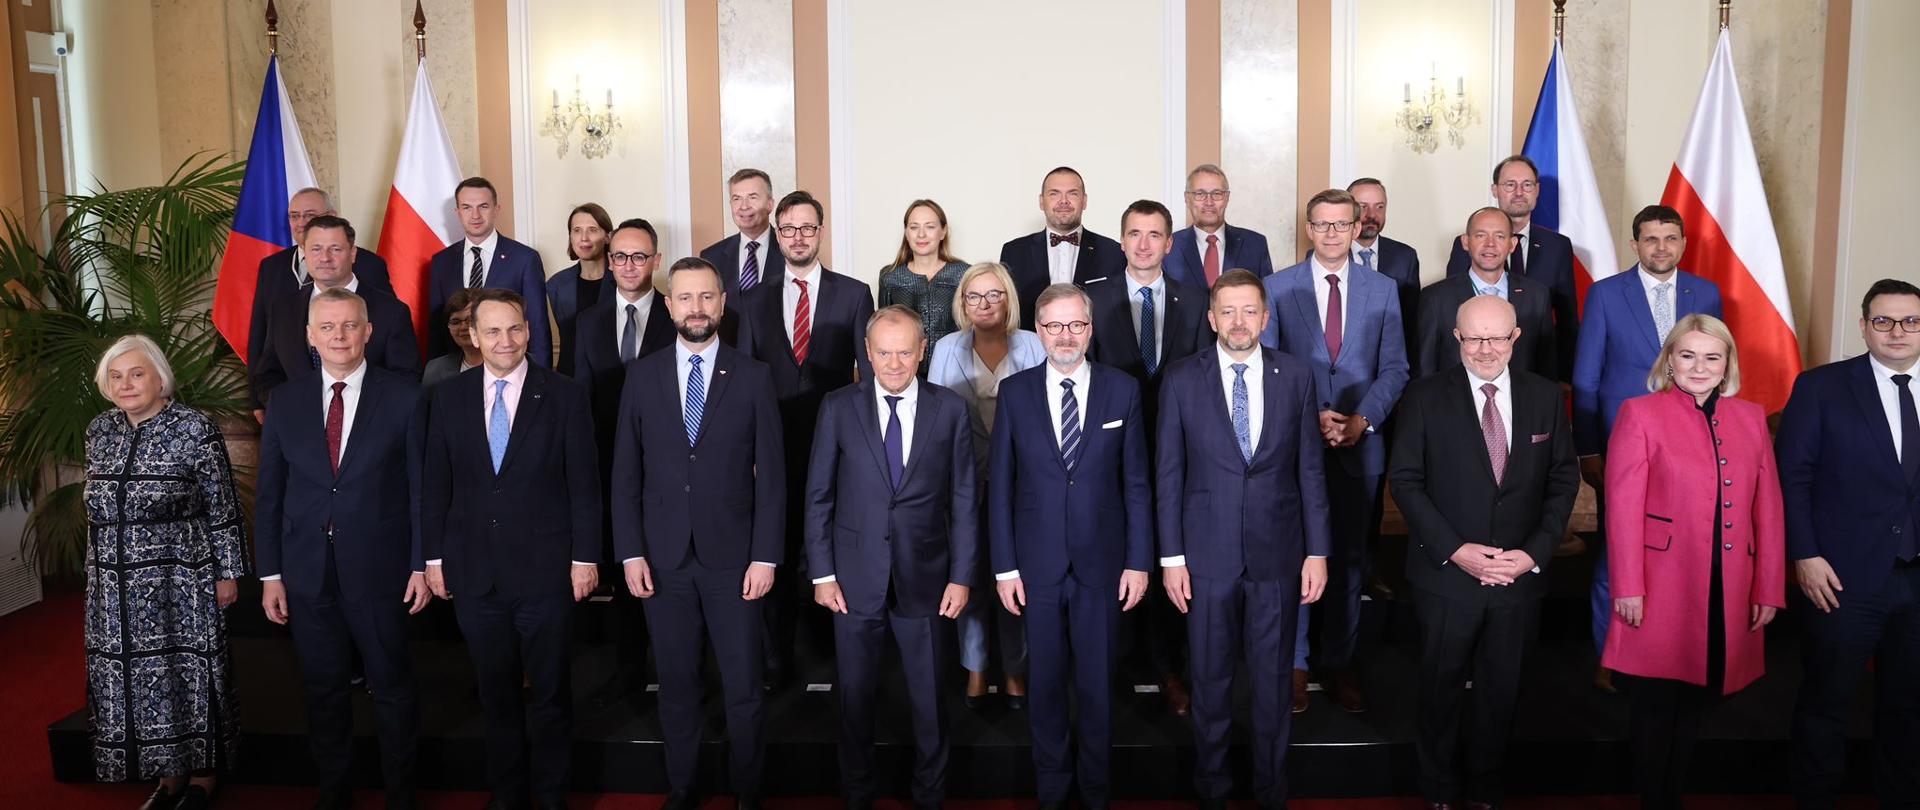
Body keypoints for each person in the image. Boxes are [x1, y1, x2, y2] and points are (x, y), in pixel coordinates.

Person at [1390, 295, 1580, 810]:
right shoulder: (1425, 396)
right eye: (1473, 338)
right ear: (1456, 338)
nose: (1485, 348)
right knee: (1440, 688)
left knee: (1502, 692)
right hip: (1447, 577)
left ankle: (1485, 791)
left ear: (1516, 338)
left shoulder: (1544, 397)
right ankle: (1439, 790)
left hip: (1519, 576)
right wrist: (1455, 551)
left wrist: (1534, 554)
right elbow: (1405, 481)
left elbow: (1564, 480)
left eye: (1497, 337)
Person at [612, 257, 786, 810]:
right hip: (662, 560)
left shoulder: (754, 376)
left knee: (742, 689)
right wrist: (630, 551)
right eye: (685, 298)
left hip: (735, 560)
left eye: (707, 297)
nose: (696, 308)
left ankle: (749, 792)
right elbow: (625, 474)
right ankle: (683, 788)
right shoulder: (641, 376)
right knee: (678, 687)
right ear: (669, 305)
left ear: (723, 302)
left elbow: (773, 480)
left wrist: (766, 557)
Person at [1155, 269, 1330, 809]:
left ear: (1265, 316)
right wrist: (1171, 557)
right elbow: (1168, 473)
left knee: (1274, 684)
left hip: (1277, 554)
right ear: (1211, 318)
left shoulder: (1297, 375)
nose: (1238, 321)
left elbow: (1309, 471)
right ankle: (1213, 790)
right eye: (1227, 311)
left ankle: (1270, 791)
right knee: (1209, 682)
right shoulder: (1181, 379)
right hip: (1204, 558)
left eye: (1249, 310)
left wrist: (1318, 551)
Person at [420, 288, 600, 810]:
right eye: (493, 331)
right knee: (495, 698)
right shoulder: (448, 397)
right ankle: (505, 797)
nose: (506, 340)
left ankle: (550, 797)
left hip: (547, 573)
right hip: (475, 574)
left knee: (549, 696)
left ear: (529, 331)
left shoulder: (565, 395)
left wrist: (585, 558)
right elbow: (436, 484)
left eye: (516, 329)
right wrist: (434, 560)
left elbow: (584, 485)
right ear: (473, 336)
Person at [255, 288, 434, 810]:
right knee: (323, 689)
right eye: (328, 328)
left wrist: (420, 563)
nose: (339, 336)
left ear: (368, 331)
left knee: (393, 686)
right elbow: (270, 494)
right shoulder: (284, 401)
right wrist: (270, 574)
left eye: (350, 326)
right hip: (306, 573)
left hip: (382, 570)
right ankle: (335, 791)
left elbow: (421, 489)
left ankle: (401, 793)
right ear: (311, 337)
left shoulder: (405, 396)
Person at [1601, 314, 1785, 809]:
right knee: (1656, 704)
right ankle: (1651, 799)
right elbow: (1621, 509)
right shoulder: (1640, 413)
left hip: (1728, 587)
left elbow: (1767, 509)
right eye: (1687, 355)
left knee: (1698, 705)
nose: (1699, 367)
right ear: (1669, 362)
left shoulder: (1750, 417)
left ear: (1727, 365)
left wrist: (1768, 586)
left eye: (1712, 357)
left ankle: (1672, 797)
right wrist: (1627, 586)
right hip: (1661, 584)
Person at [805, 305, 978, 810]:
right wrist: (822, 573)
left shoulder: (950, 409)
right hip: (853, 579)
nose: (895, 363)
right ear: (868, 352)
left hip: (926, 577)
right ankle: (857, 795)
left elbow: (964, 499)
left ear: (923, 351)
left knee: (929, 701)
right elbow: (819, 496)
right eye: (884, 352)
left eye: (906, 352)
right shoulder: (838, 407)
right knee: (854, 700)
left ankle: (930, 795)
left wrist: (962, 576)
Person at [989, 283, 1152, 810]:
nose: (1065, 335)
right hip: (1035, 567)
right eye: (1055, 326)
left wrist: (1139, 561)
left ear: (1090, 329)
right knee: (1046, 685)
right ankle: (1053, 790)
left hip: (1103, 565)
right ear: (1039, 332)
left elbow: (1137, 484)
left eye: (1075, 325)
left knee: (1099, 688)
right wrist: (1004, 568)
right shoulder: (1013, 394)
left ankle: (1098, 792)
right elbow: (1001, 488)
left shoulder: (1123, 390)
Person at [1260, 188, 1409, 714]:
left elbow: (1396, 368)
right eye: (1321, 224)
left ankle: (1338, 662)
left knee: (1349, 561)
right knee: (1294, 558)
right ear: (1308, 227)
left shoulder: (1384, 289)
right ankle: (1296, 664)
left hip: (1359, 445)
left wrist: (1361, 420)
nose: (1331, 233)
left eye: (1341, 224)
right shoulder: (1277, 288)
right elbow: (1269, 366)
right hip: (1294, 447)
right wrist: (1311, 418)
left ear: (1356, 227)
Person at [84, 335, 247, 810]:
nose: (126, 384)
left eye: (136, 374)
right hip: (112, 585)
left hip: (182, 579)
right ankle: (167, 777)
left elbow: (222, 507)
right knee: (137, 681)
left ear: (160, 377)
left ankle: (203, 776)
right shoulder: (100, 430)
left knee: (187, 675)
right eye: (116, 376)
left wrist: (227, 573)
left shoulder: (195, 428)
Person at [1778, 278, 1920, 809]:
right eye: (1884, 320)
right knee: (1826, 704)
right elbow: (1793, 477)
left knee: (1908, 708)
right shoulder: (1822, 387)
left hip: (1917, 580)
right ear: (1864, 326)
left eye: (1910, 320)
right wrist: (1805, 556)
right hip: (1841, 579)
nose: (1898, 331)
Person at [1573, 204, 1723, 691]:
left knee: (1678, 548)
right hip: (1625, 442)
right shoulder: (1605, 294)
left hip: (1690, 446)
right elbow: (1586, 379)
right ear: (1635, 245)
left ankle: (1671, 649)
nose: (1662, 247)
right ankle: (1608, 656)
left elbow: (1714, 371)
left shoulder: (1706, 293)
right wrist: (1589, 448)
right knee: (1619, 550)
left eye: (1671, 238)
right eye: (1651, 239)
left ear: (1683, 243)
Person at [736, 190, 875, 690]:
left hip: (838, 446)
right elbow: (747, 382)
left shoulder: (854, 293)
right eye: (789, 229)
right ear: (778, 234)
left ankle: (833, 657)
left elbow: (868, 378)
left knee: (833, 550)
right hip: (772, 450)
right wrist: (749, 451)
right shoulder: (751, 299)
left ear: (821, 232)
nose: (798, 237)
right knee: (776, 548)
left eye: (807, 228)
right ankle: (777, 662)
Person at [1085, 198, 1211, 715]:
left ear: (1169, 242)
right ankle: (1111, 668)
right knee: (1112, 559)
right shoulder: (1092, 299)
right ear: (1121, 242)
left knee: (1170, 561)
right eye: (1134, 234)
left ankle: (1167, 669)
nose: (1143, 244)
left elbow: (1205, 377)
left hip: (1179, 456)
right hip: (1109, 456)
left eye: (1154, 234)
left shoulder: (1197, 298)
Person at [929, 262, 1045, 710]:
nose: (984, 304)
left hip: (1023, 487)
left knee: (1018, 581)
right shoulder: (944, 349)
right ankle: (976, 670)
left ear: (1009, 299)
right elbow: (936, 424)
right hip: (964, 485)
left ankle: (1015, 670)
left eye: (994, 294)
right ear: (962, 303)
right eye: (974, 296)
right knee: (970, 578)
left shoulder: (1034, 346)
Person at [572, 218, 676, 706]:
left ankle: (680, 672)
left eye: (639, 257)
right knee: (623, 571)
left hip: (671, 469)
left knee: (671, 570)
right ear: (608, 260)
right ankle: (630, 674)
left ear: (656, 261)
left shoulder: (677, 316)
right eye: (620, 256)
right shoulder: (586, 321)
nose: (628, 266)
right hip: (609, 466)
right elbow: (578, 399)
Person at [248, 187, 393, 418]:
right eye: (295, 216)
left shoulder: (373, 272)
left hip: (366, 415)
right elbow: (265, 352)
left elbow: (399, 366)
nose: (302, 223)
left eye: (310, 216)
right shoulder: (278, 288)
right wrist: (270, 403)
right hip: (297, 419)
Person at [252, 216, 420, 405]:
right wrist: (290, 411)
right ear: (305, 253)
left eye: (335, 249)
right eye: (316, 249)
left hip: (368, 425)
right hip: (299, 427)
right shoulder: (283, 309)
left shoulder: (391, 311)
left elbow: (405, 379)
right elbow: (268, 374)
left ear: (353, 253)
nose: (325, 258)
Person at [1446, 155, 1579, 377]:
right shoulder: (1467, 245)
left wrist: (1564, 377)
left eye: (1527, 185)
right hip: (1476, 367)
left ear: (1537, 190)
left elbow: (1567, 320)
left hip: (1533, 371)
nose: (1519, 192)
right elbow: (1454, 310)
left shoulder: (1558, 247)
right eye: (1510, 185)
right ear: (1495, 190)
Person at [1414, 207, 1556, 380]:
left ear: (1512, 244)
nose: (1490, 244)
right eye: (1481, 235)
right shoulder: (1435, 298)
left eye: (1499, 236)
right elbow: (1424, 370)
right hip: (1454, 403)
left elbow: (1546, 368)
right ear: (1465, 242)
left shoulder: (1537, 296)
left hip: (1521, 404)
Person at [426, 177, 553, 367]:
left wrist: (542, 381)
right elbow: (437, 328)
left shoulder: (524, 259)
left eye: (483, 206)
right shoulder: (441, 262)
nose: (475, 215)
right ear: (458, 213)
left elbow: (538, 326)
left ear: (496, 210)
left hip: (511, 368)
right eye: (467, 207)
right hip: (457, 372)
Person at [998, 166, 1126, 329]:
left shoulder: (1113, 252)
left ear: (1084, 201)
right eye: (1054, 194)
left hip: (1094, 352)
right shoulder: (1014, 252)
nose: (1063, 201)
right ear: (1041, 201)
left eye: (1072, 193)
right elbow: (1007, 313)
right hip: (1033, 351)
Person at [876, 198, 969, 371]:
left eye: (930, 227)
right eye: (914, 227)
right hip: (905, 372)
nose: (921, 234)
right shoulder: (890, 277)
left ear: (943, 232)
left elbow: (974, 330)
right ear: (906, 232)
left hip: (955, 370)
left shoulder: (963, 274)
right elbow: (883, 331)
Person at [1164, 164, 1275, 289]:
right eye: (1200, 194)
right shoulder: (1170, 247)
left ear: (1227, 198)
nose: (1209, 202)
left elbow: (1266, 299)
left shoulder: (1255, 245)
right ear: (1187, 198)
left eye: (1217, 194)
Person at [1346, 178, 1420, 357]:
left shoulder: (1405, 256)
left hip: (1391, 359)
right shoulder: (1328, 254)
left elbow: (1411, 321)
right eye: (1363, 206)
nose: (1372, 215)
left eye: (1379, 207)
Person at [546, 202, 613, 377]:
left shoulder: (623, 281)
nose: (584, 238)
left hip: (615, 379)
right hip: (570, 377)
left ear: (607, 237)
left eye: (592, 229)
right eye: (577, 230)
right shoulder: (556, 285)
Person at [699, 168, 785, 296]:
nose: (744, 206)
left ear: (770, 205)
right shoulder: (711, 257)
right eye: (737, 199)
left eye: (752, 197)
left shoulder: (789, 251)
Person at [423, 287, 484, 389]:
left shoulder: (507, 363)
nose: (463, 327)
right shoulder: (435, 370)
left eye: (470, 320)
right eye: (455, 322)